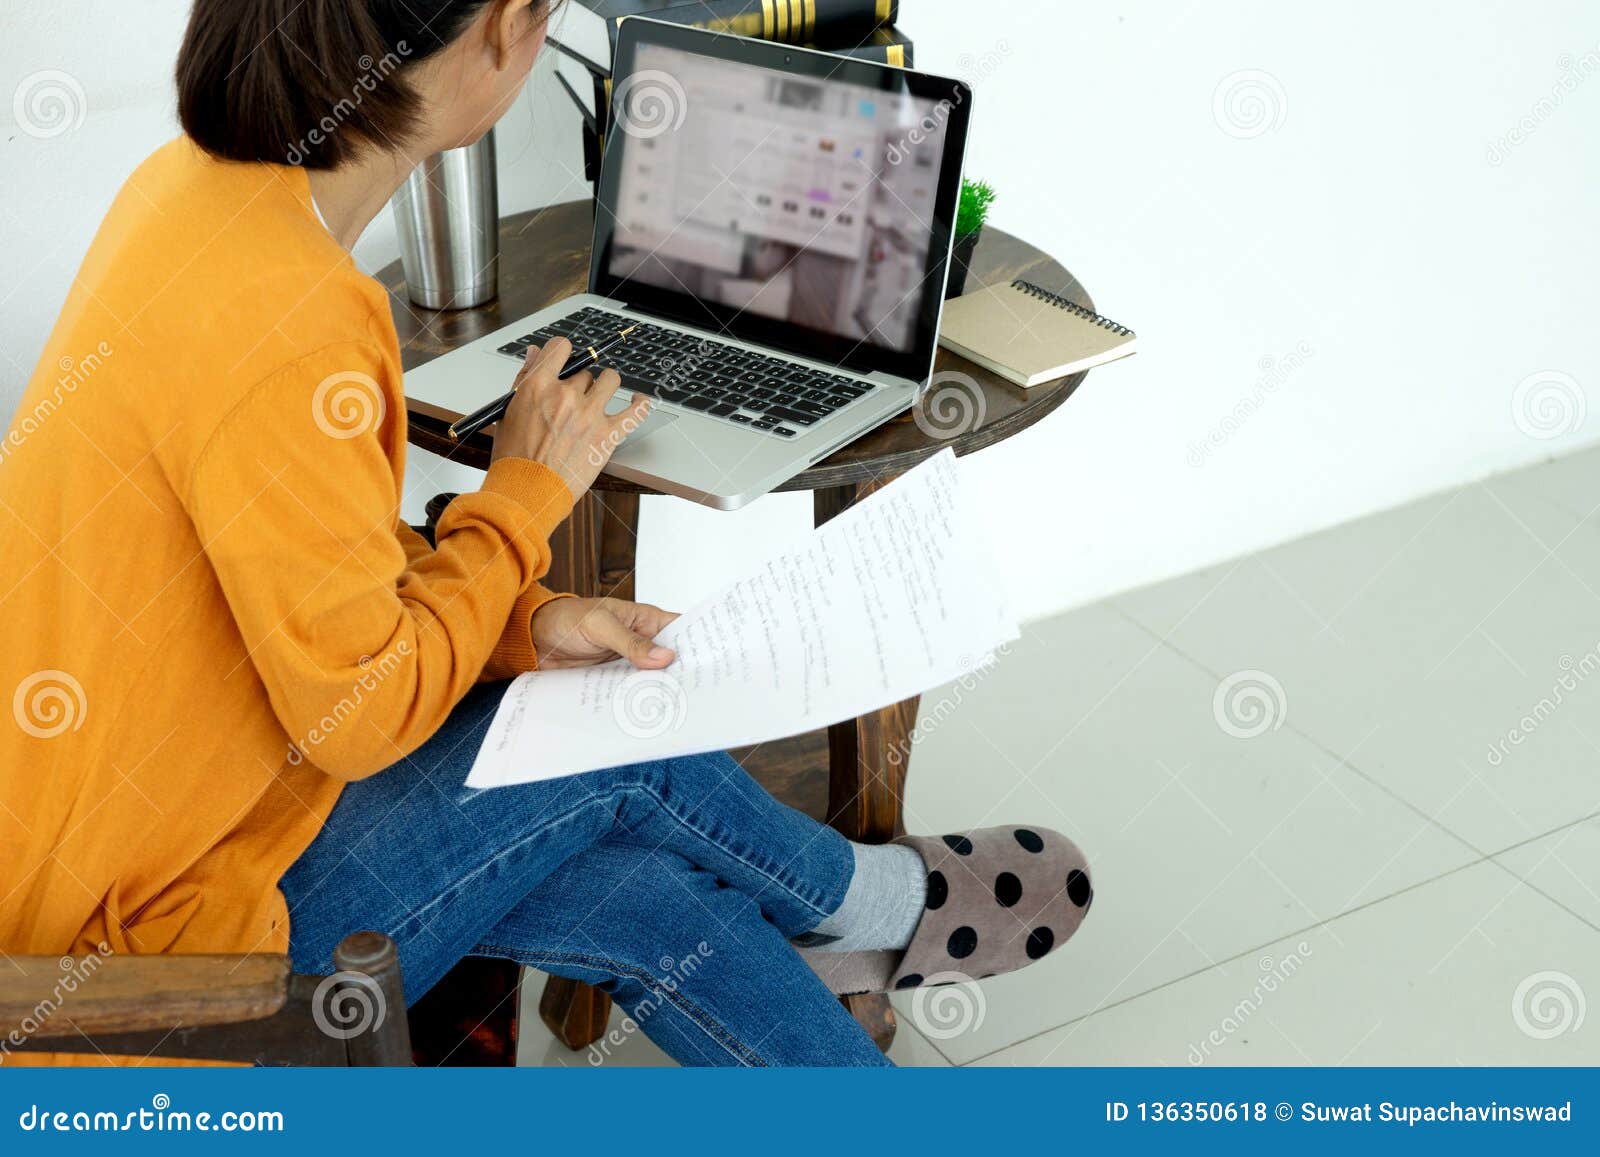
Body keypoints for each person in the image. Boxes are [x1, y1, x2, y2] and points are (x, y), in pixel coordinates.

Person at [0, 0, 1091, 1066]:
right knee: (609, 751)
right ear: (498, 28)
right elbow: (360, 712)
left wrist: (534, 617)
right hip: (141, 967)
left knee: (637, 892)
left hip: (78, 874)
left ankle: (866, 929)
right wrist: (525, 493)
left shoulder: (183, 194)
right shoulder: (296, 318)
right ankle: (868, 898)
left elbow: (309, 563)